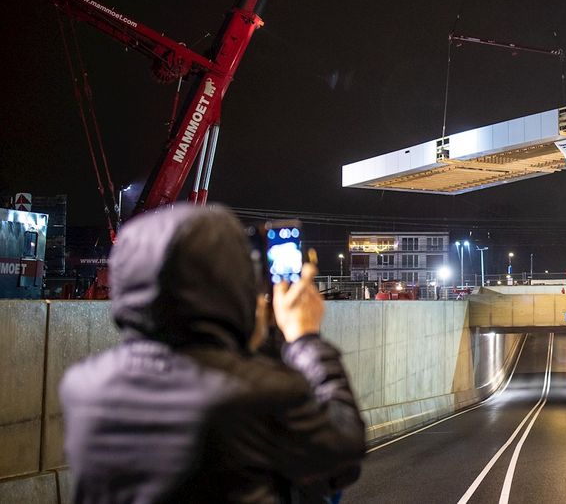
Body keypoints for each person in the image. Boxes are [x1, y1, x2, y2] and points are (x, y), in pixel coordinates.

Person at [60, 205, 365, 503]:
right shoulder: (258, 395)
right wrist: (304, 338)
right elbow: (343, 450)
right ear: (229, 282)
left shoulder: (83, 387)